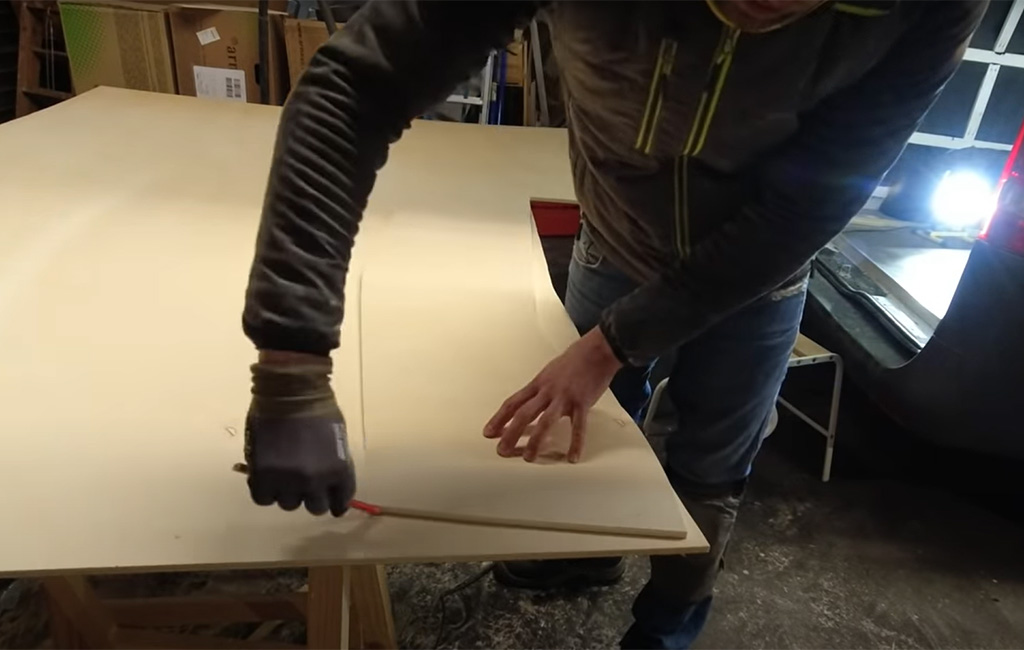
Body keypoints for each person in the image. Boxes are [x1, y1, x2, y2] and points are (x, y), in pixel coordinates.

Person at [240, 1, 985, 647]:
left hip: (759, 277)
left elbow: (809, 204)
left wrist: (611, 345)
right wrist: (291, 361)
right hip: (617, 236)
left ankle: (668, 621)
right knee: (586, 442)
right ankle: (585, 552)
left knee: (710, 474)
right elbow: (357, 85)